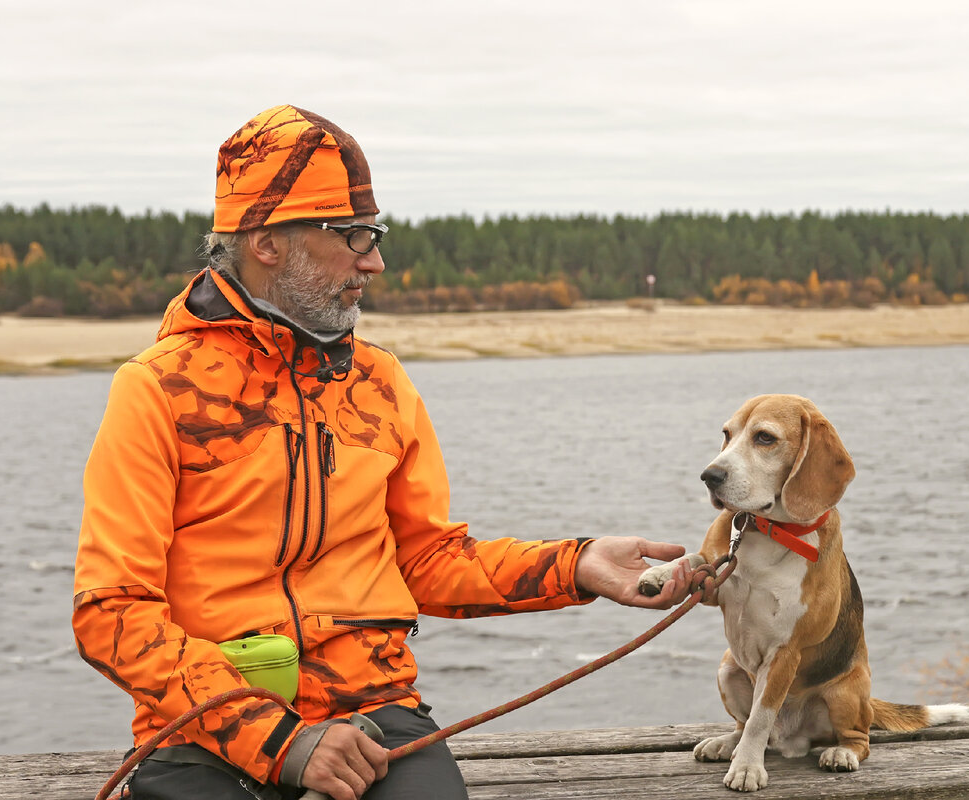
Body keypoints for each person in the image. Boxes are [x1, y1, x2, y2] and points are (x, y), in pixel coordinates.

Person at [73, 105, 694, 800]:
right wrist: (283, 743)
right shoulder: (157, 389)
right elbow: (112, 610)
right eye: (353, 236)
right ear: (267, 241)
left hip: (375, 714)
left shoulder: (380, 381)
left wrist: (577, 566)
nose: (375, 260)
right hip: (208, 730)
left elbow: (427, 563)